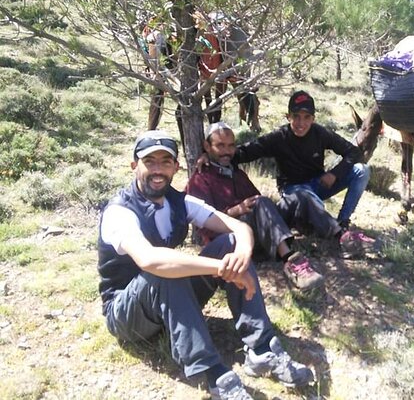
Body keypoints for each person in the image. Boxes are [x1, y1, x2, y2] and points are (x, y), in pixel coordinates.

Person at [97, 130, 313, 400]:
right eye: (149, 161)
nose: (158, 170)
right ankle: (215, 374)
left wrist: (241, 254)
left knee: (229, 243)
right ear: (134, 166)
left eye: (166, 162)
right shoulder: (120, 211)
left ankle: (262, 349)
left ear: (176, 167)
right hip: (126, 315)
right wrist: (219, 268)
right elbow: (150, 259)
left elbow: (235, 226)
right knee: (164, 268)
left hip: (167, 300)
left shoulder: (179, 201)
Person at [186, 121, 337, 291]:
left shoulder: (237, 173)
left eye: (231, 146)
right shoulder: (200, 180)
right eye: (220, 145)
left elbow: (259, 203)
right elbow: (204, 228)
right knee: (261, 203)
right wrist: (236, 210)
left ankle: (340, 236)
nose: (227, 151)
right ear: (207, 146)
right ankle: (290, 260)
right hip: (237, 242)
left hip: (261, 231)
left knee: (299, 196)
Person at [235, 90, 375, 249]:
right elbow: (248, 151)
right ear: (288, 117)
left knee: (362, 170)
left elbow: (353, 152)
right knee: (308, 199)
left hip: (318, 184)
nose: (301, 123)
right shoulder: (279, 137)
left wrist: (335, 174)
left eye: (307, 117)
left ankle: (342, 222)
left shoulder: (320, 133)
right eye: (296, 117)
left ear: (313, 118)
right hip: (293, 191)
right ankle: (327, 230)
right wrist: (212, 154)